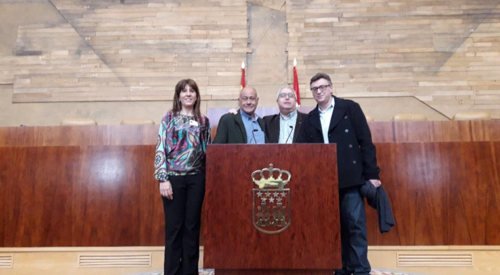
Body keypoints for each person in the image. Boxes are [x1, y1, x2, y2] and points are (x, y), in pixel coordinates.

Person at [297, 73, 381, 275]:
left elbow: (366, 143)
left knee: (355, 225)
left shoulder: (350, 108)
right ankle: (340, 268)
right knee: (333, 228)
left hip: (351, 178)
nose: (319, 91)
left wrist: (372, 174)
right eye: (315, 89)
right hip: (323, 182)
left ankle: (360, 269)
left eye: (323, 87)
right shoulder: (310, 119)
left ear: (331, 88)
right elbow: (301, 150)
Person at [154, 79, 211, 275]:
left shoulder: (204, 121)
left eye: (192, 91)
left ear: (197, 95)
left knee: (192, 227)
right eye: (184, 91)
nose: (188, 94)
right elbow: (160, 147)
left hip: (197, 179)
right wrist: (163, 178)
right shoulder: (169, 118)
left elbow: (208, 152)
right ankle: (171, 271)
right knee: (174, 228)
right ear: (178, 95)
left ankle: (189, 272)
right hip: (173, 180)